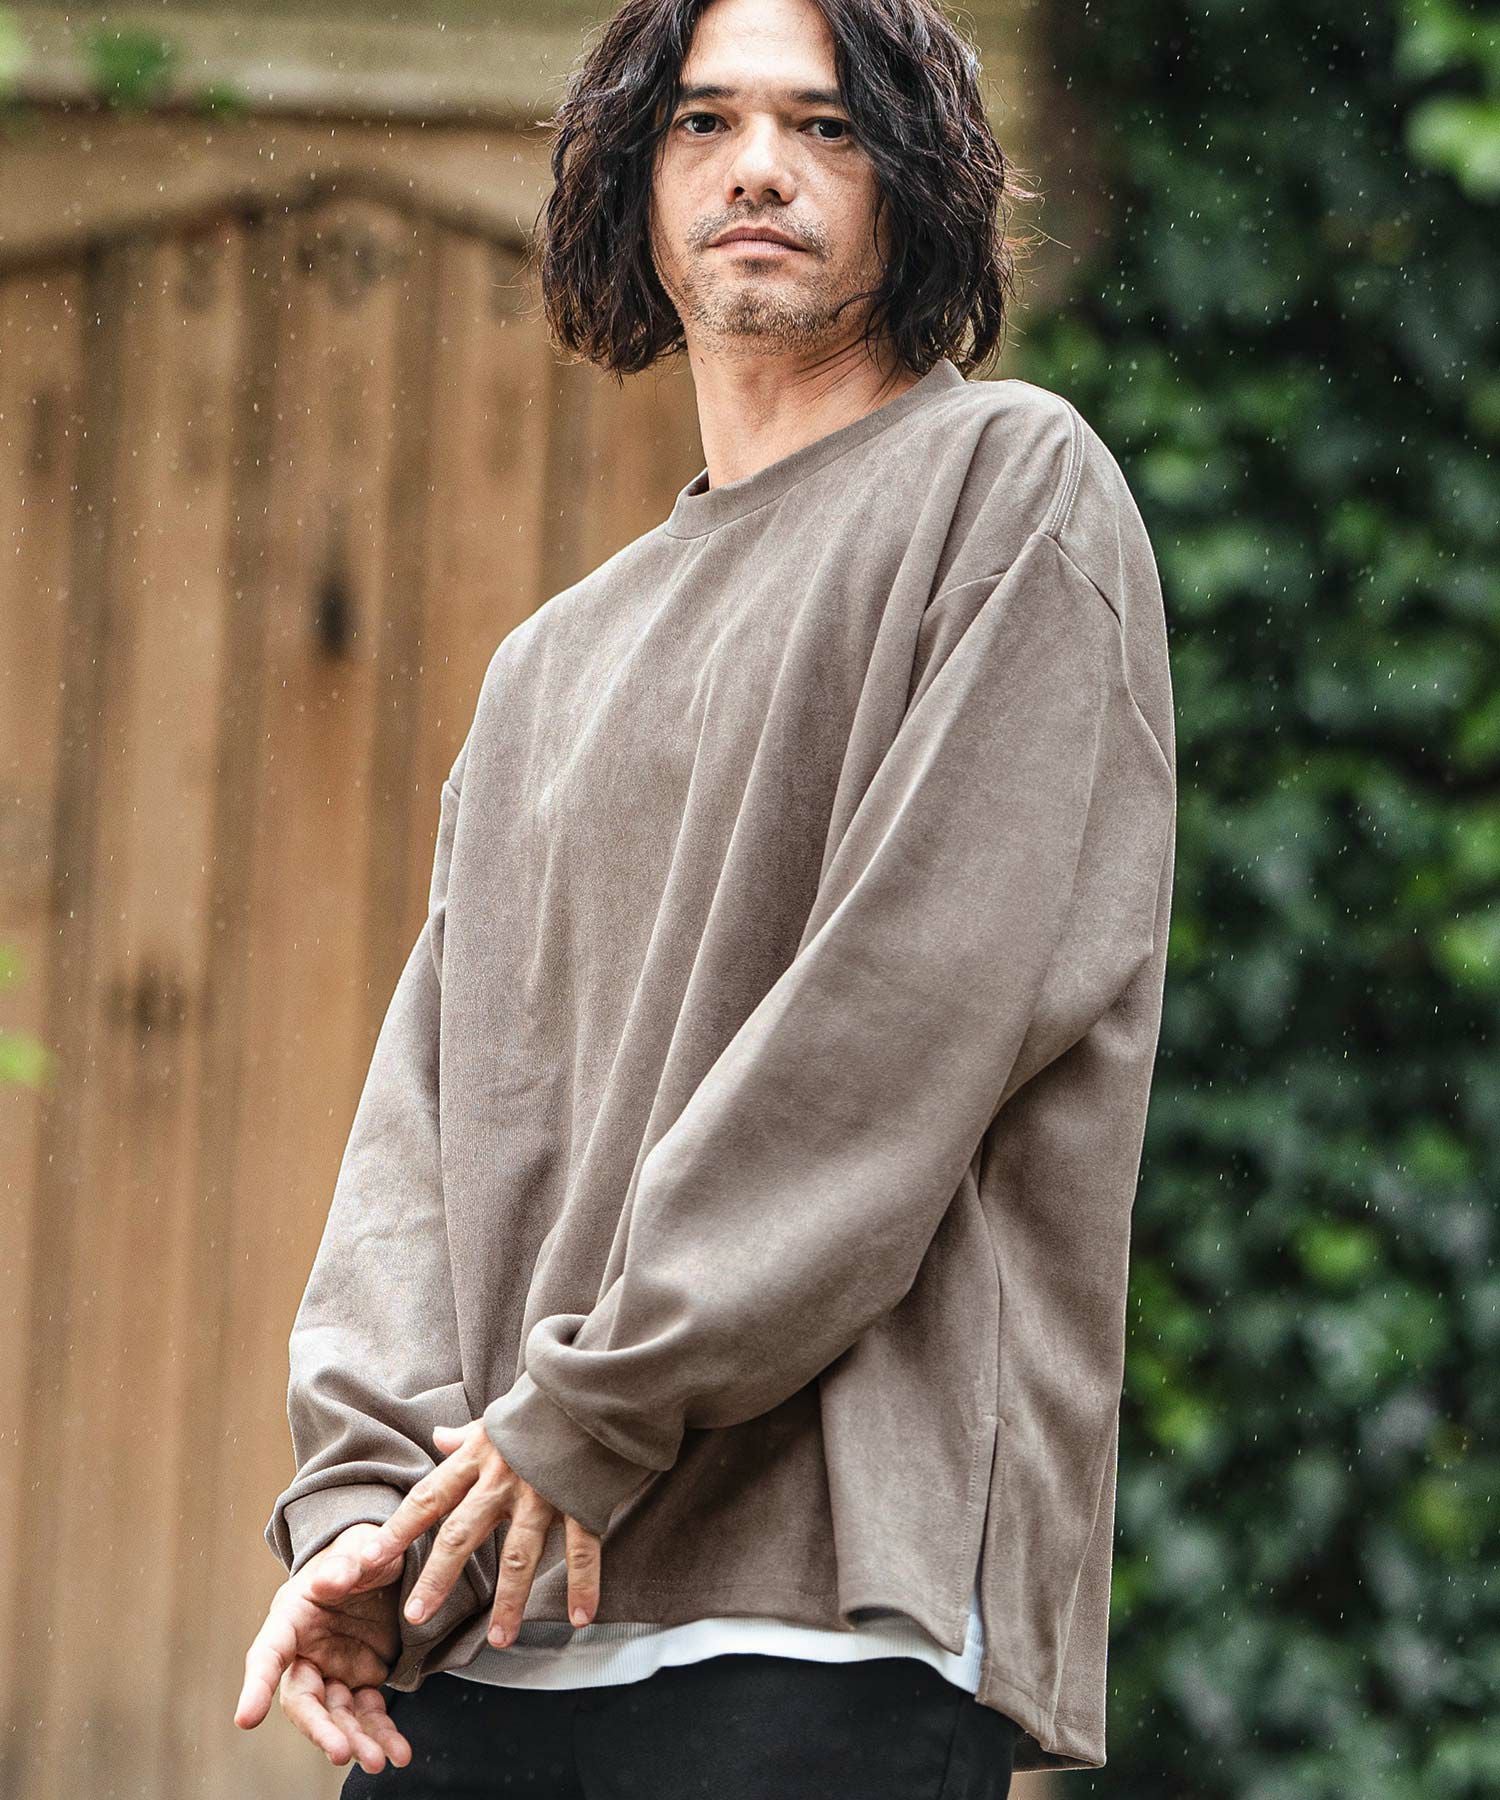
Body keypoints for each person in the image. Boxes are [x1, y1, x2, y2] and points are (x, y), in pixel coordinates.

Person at [233, 0, 1177, 1790]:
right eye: (702, 122)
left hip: (820, 1615)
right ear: (631, 181)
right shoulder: (551, 663)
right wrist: (365, 1509)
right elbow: (425, 1128)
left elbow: (903, 1026)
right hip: (485, 1627)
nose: (757, 169)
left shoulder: (1011, 491)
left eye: (825, 127)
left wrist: (592, 1411)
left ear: (916, 182)